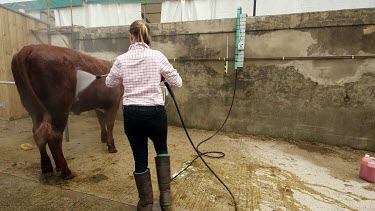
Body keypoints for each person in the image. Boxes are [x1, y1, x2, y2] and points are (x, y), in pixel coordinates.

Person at [105, 20, 182, 211]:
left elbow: (109, 83)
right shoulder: (157, 56)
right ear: (148, 37)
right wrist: (162, 76)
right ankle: (166, 200)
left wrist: (122, 76)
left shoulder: (121, 60)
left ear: (131, 36)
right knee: (161, 149)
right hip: (155, 113)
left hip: (132, 114)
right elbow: (177, 81)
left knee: (139, 157)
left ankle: (146, 203)